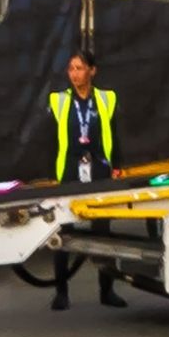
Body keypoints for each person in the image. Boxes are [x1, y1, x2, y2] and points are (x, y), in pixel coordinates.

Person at [41, 49, 121, 306]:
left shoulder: (106, 99)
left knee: (103, 234)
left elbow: (114, 136)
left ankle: (107, 291)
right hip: (70, 172)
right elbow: (48, 139)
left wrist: (117, 166)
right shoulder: (59, 100)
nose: (75, 74)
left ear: (92, 71)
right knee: (64, 231)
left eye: (80, 68)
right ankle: (61, 293)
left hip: (99, 171)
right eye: (71, 69)